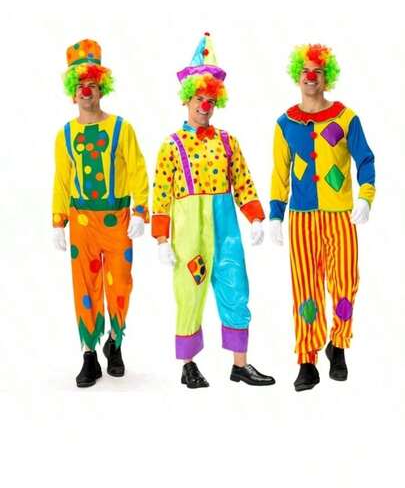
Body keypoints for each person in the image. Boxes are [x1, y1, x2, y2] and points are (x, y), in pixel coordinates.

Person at [152, 33, 275, 388]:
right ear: (186, 100)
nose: (204, 106)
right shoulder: (172, 145)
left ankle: (240, 365)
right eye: (199, 99)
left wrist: (255, 217)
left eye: (210, 100)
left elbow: (243, 181)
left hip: (225, 226)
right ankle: (188, 365)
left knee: (236, 286)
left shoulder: (227, 141)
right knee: (189, 291)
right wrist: (161, 238)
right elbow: (161, 193)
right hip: (189, 229)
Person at [269, 44, 375, 391]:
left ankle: (338, 346)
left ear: (326, 77)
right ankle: (307, 360)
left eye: (317, 71)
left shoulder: (345, 117)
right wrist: (275, 215)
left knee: (345, 283)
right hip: (301, 219)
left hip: (340, 216)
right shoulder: (285, 124)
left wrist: (366, 197)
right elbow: (280, 174)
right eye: (305, 71)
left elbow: (365, 160)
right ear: (297, 76)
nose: (311, 77)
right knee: (305, 289)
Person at [52, 38, 149, 387]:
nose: (86, 91)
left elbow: (137, 169)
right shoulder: (65, 135)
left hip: (117, 219)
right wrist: (58, 221)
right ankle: (89, 354)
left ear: (101, 88)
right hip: (81, 222)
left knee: (120, 283)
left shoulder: (122, 128)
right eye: (80, 85)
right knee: (85, 286)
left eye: (92, 84)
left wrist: (140, 211)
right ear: (72, 92)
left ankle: (115, 342)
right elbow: (62, 179)